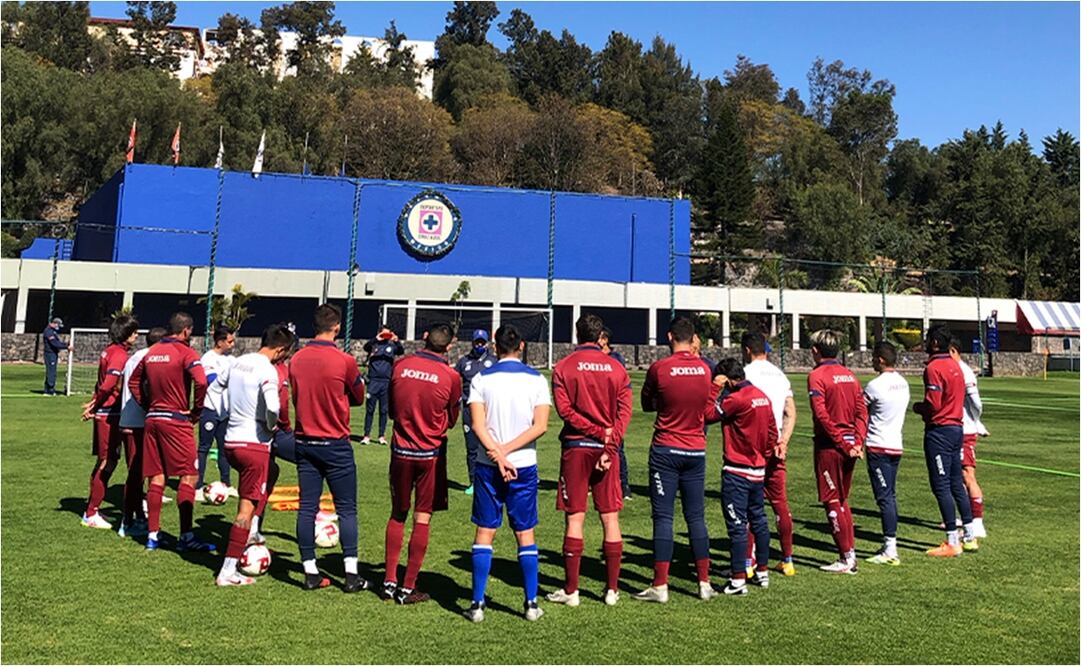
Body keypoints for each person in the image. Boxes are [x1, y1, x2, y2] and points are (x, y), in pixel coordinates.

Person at [462, 324, 550, 623]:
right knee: (524, 532)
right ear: (521, 346)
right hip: (523, 465)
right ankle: (531, 604)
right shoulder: (537, 379)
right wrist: (508, 452)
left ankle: (477, 605)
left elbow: (477, 425)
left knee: (485, 531)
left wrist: (498, 454)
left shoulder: (481, 378)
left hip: (488, 465)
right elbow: (540, 426)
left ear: (495, 347)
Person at [547, 314, 633, 608]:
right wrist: (609, 445)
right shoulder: (617, 368)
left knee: (575, 517)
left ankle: (572, 591)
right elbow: (624, 414)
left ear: (577, 334)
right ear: (600, 337)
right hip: (606, 449)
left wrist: (597, 434)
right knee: (610, 517)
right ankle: (612, 590)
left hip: (576, 447)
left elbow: (565, 411)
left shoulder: (563, 367)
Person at [635, 317, 717, 603]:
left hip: (666, 449)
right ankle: (704, 582)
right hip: (695, 449)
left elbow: (647, 404)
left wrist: (666, 402)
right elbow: (707, 406)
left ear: (669, 336)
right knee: (696, 516)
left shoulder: (660, 368)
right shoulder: (705, 370)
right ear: (693, 338)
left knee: (663, 517)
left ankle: (660, 585)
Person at [289, 304, 367, 591]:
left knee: (307, 508)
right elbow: (358, 396)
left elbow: (295, 394)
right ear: (337, 327)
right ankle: (351, 574)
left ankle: (310, 570)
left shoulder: (296, 359)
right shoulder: (344, 360)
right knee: (346, 509)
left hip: (305, 441)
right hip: (335, 443)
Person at [382, 323, 462, 604]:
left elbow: (392, 409)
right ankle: (407, 586)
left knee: (397, 514)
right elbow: (452, 419)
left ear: (425, 338)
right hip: (430, 454)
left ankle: (389, 581)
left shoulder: (401, 365)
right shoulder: (451, 376)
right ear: (449, 345)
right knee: (422, 516)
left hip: (401, 451)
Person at [210, 323, 295, 586]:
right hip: (253, 445)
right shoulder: (268, 370)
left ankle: (252, 532)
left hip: (231, 442)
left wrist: (226, 415)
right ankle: (228, 570)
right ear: (280, 350)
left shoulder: (237, 362)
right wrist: (270, 426)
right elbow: (273, 407)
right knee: (244, 511)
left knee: (272, 470)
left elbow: (214, 389)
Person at [128, 312, 215, 552]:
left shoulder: (152, 352)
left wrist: (147, 404)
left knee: (157, 477)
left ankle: (153, 536)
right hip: (176, 420)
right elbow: (202, 382)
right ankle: (186, 536)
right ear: (186, 330)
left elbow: (133, 382)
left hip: (153, 420)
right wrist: (196, 410)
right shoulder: (186, 352)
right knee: (189, 475)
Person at [706, 358, 776, 595]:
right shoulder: (762, 396)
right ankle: (762, 571)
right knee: (759, 521)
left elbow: (707, 414)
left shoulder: (735, 399)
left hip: (737, 471)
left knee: (737, 525)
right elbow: (772, 433)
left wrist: (714, 389)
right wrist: (763, 456)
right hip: (758, 470)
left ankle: (737, 580)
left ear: (727, 380)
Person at [913, 325, 977, 556]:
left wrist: (918, 408)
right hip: (957, 428)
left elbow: (933, 403)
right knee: (955, 482)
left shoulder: (934, 368)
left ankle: (952, 540)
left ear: (934, 343)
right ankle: (969, 536)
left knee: (941, 485)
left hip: (939, 431)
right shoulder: (956, 365)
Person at [807, 329, 867, 574]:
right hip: (850, 445)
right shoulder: (850, 375)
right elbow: (862, 412)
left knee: (831, 499)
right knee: (841, 499)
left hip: (831, 446)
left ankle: (846, 559)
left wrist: (843, 443)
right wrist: (857, 442)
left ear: (815, 351)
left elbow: (822, 416)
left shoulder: (816, 376)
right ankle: (850, 554)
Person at [740, 331, 798, 576]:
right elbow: (790, 412)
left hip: (751, 444)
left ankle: (748, 561)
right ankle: (787, 559)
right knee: (779, 503)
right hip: (776, 444)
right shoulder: (780, 375)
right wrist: (784, 440)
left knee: (749, 503)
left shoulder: (745, 374)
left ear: (746, 350)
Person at [79, 314, 139, 529]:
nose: (136, 336)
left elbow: (102, 384)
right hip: (110, 414)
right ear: (126, 334)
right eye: (134, 332)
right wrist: (95, 405)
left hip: (108, 412)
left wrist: (94, 402)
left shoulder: (110, 351)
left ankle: (94, 508)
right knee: (107, 461)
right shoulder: (119, 355)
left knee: (109, 460)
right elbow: (108, 384)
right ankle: (90, 512)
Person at [250, 324, 299, 546]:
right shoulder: (276, 371)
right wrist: (286, 427)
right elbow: (281, 406)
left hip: (247, 431)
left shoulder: (247, 363)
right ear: (281, 349)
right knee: (311, 460)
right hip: (270, 432)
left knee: (268, 474)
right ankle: (311, 518)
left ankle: (254, 525)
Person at [862, 341, 910, 566]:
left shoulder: (874, 386)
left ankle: (891, 549)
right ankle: (889, 545)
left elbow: (860, 411)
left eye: (874, 358)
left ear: (880, 360)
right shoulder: (903, 383)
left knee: (885, 497)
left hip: (878, 446)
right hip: (895, 445)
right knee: (890, 495)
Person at [117, 326, 166, 538]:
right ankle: (127, 520)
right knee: (136, 473)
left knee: (139, 472)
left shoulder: (134, 357)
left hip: (130, 419)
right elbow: (140, 386)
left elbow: (121, 385)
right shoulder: (150, 358)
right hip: (138, 422)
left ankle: (137, 516)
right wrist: (149, 406)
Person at [949, 337, 989, 539]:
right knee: (956, 476)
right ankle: (966, 516)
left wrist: (976, 421)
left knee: (968, 475)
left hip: (965, 430)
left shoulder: (964, 371)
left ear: (953, 351)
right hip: (956, 429)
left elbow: (976, 402)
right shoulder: (953, 369)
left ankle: (978, 522)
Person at [196, 325, 236, 499]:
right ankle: (198, 486)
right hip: (210, 409)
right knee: (204, 448)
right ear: (220, 342)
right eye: (230, 341)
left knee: (224, 448)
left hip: (225, 411)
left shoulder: (231, 360)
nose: (233, 344)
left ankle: (227, 483)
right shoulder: (208, 358)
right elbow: (212, 381)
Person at [454, 329, 496, 495]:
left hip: (488, 409)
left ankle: (493, 480)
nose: (479, 345)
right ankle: (473, 481)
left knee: (490, 445)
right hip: (468, 409)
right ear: (472, 343)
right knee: (472, 447)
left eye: (482, 342)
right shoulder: (464, 362)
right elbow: (455, 380)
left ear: (487, 344)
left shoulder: (494, 361)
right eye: (477, 342)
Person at [600, 326, 632, 501]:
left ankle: (623, 484)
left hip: (613, 410)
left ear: (605, 340)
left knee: (617, 446)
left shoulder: (615, 358)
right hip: (599, 408)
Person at [361, 325, 403, 446]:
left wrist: (397, 340)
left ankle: (381, 436)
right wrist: (376, 338)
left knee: (384, 410)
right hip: (373, 381)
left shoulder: (392, 346)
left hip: (386, 382)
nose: (385, 336)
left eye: (387, 334)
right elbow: (366, 347)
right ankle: (366, 435)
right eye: (384, 334)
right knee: (370, 409)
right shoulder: (374, 345)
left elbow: (401, 351)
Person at [42, 317, 70, 395]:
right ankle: (50, 389)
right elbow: (54, 343)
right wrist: (66, 347)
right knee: (51, 371)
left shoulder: (52, 331)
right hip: (50, 354)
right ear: (55, 323)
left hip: (53, 353)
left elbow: (57, 342)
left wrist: (65, 344)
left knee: (51, 371)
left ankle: (48, 389)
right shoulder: (49, 331)